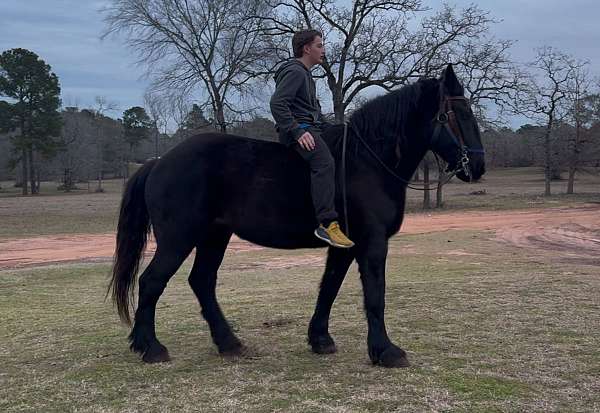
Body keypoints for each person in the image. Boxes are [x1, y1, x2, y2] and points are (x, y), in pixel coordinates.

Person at [270, 29, 354, 248]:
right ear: (306, 48)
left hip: (310, 128)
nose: (323, 49)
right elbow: (278, 104)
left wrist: (340, 130)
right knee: (324, 162)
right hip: (297, 134)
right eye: (319, 45)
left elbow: (314, 116)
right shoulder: (296, 72)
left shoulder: (306, 75)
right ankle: (327, 223)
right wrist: (297, 131)